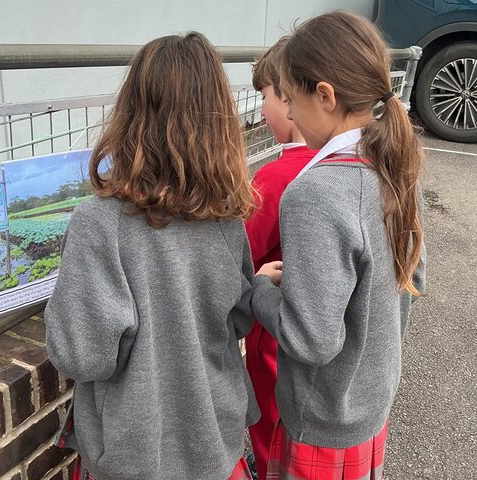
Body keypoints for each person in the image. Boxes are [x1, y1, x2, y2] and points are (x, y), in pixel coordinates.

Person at [45, 32, 260, 480]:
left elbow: (81, 356)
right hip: (214, 445)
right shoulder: (225, 215)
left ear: (130, 113)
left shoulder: (98, 222)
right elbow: (239, 318)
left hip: (131, 456)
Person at [250, 11, 427, 480]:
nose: (289, 114)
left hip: (323, 417)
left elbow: (311, 340)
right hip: (372, 400)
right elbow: (413, 277)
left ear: (325, 96)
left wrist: (260, 291)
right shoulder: (396, 162)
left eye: (291, 99)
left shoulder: (315, 192)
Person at [244, 38, 317, 480]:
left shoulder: (275, 177)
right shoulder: (352, 164)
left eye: (265, 97)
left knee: (270, 420)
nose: (262, 109)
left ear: (289, 101)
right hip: (322, 336)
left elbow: (240, 254)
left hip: (275, 334)